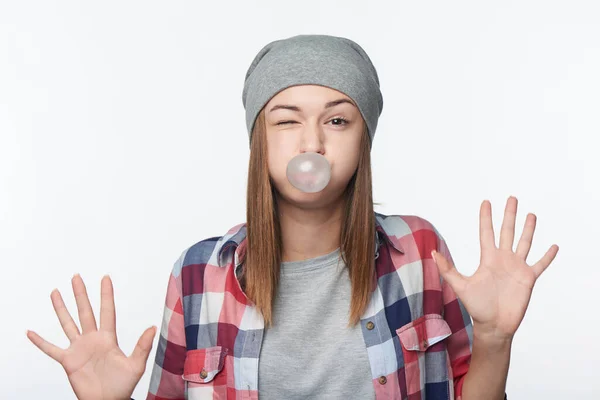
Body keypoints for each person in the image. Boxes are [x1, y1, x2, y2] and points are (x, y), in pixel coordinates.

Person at [27, 34, 559, 400]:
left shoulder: (420, 252)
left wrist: (494, 340)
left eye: (337, 119)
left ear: (363, 139)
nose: (312, 143)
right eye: (287, 121)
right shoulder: (196, 274)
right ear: (260, 140)